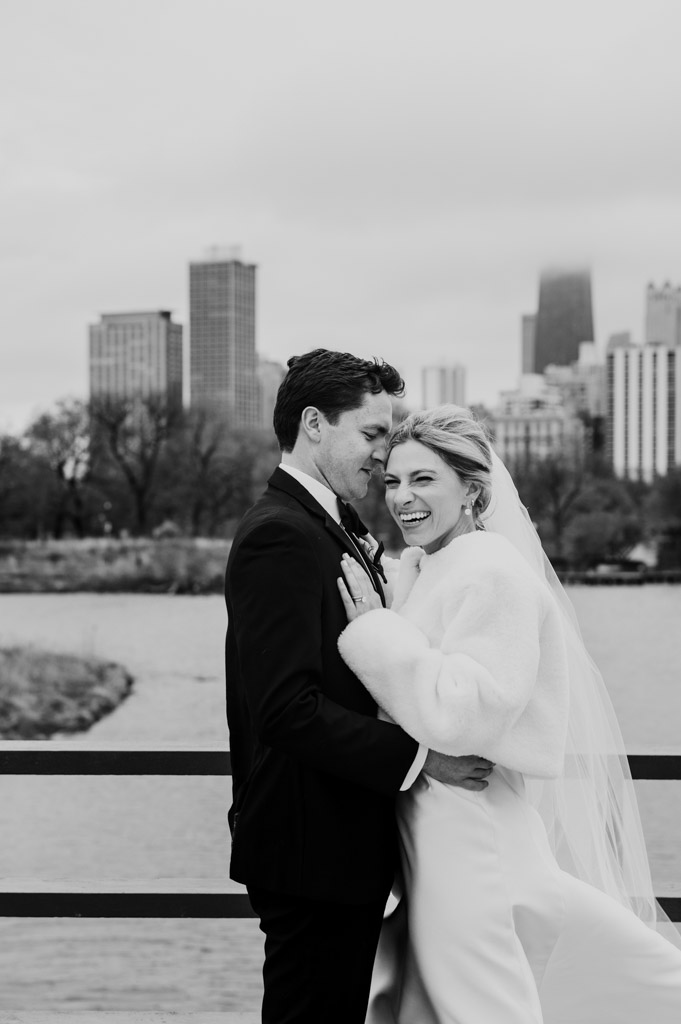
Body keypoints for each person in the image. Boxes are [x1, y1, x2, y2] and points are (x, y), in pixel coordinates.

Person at [337, 404, 681, 1024]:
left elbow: (469, 716)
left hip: (469, 831)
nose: (402, 497)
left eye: (424, 480)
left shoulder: (494, 572)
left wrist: (373, 634)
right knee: (429, 1003)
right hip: (434, 829)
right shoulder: (431, 567)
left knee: (481, 1007)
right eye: (392, 480)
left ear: (473, 489)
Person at [225, 352, 493, 1024]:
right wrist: (421, 758)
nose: (384, 453)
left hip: (336, 843)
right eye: (372, 434)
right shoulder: (279, 537)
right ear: (314, 424)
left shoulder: (328, 525)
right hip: (310, 847)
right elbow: (286, 709)